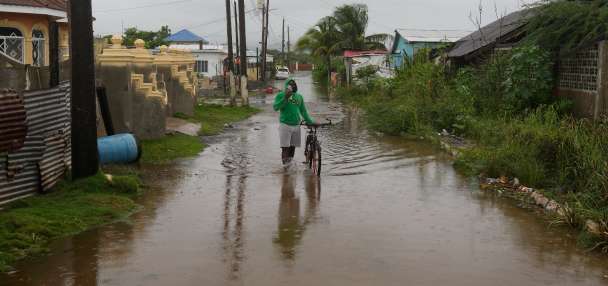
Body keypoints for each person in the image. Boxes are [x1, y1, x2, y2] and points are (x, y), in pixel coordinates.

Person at [273, 78, 315, 165]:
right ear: (286, 87)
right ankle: (285, 171)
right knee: (285, 148)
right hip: (285, 125)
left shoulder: (299, 97)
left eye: (293, 84)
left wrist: (309, 122)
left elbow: (303, 111)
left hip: (296, 125)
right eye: (289, 85)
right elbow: (276, 107)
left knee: (292, 148)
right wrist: (285, 97)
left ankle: (290, 169)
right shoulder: (280, 95)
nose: (292, 86)